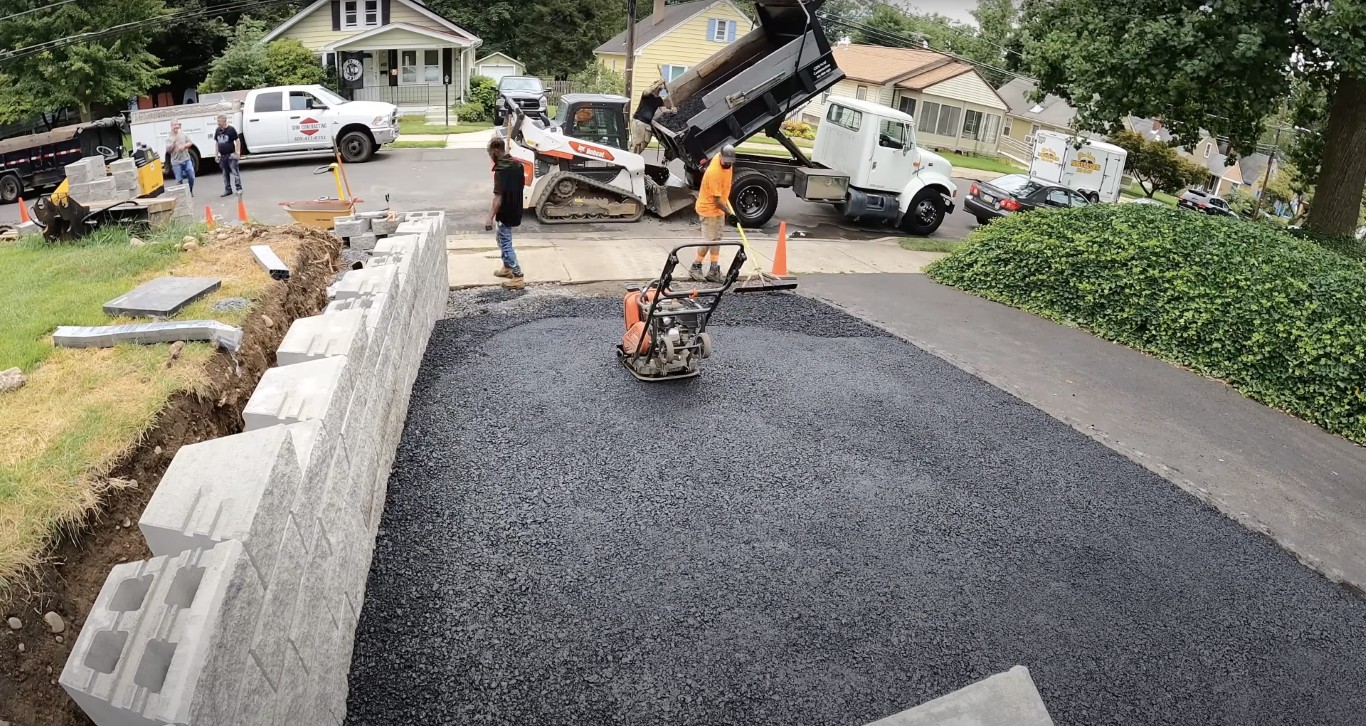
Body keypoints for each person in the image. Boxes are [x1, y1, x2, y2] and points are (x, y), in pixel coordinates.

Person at [691, 144, 736, 283]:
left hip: (718, 208)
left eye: (730, 162)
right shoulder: (714, 173)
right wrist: (730, 214)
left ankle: (713, 270)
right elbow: (717, 201)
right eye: (726, 161)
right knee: (710, 240)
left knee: (715, 239)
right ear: (721, 157)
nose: (728, 164)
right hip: (709, 209)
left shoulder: (722, 159)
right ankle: (696, 267)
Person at [486, 137, 526, 290]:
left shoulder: (501, 170)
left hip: (505, 212)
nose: (490, 156)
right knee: (501, 238)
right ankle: (507, 268)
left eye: (490, 153)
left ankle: (518, 276)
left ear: (496, 151)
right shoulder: (517, 165)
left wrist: (490, 218)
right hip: (515, 208)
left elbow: (498, 197)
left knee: (505, 243)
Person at [213, 114, 243, 197]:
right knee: (225, 174)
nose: (218, 123)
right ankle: (228, 190)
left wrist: (238, 152)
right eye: (217, 121)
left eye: (219, 121)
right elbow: (217, 143)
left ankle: (239, 188)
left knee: (235, 172)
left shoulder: (231, 129)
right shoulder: (217, 130)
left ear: (224, 121)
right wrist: (216, 154)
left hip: (231, 155)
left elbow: (237, 140)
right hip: (223, 156)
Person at [167, 121, 195, 196]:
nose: (176, 126)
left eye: (177, 125)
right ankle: (183, 196)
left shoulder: (183, 133)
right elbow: (168, 150)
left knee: (191, 176)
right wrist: (173, 143)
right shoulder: (169, 137)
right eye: (174, 125)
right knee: (179, 180)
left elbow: (190, 142)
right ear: (171, 126)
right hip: (176, 162)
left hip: (186, 159)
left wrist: (184, 146)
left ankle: (190, 190)